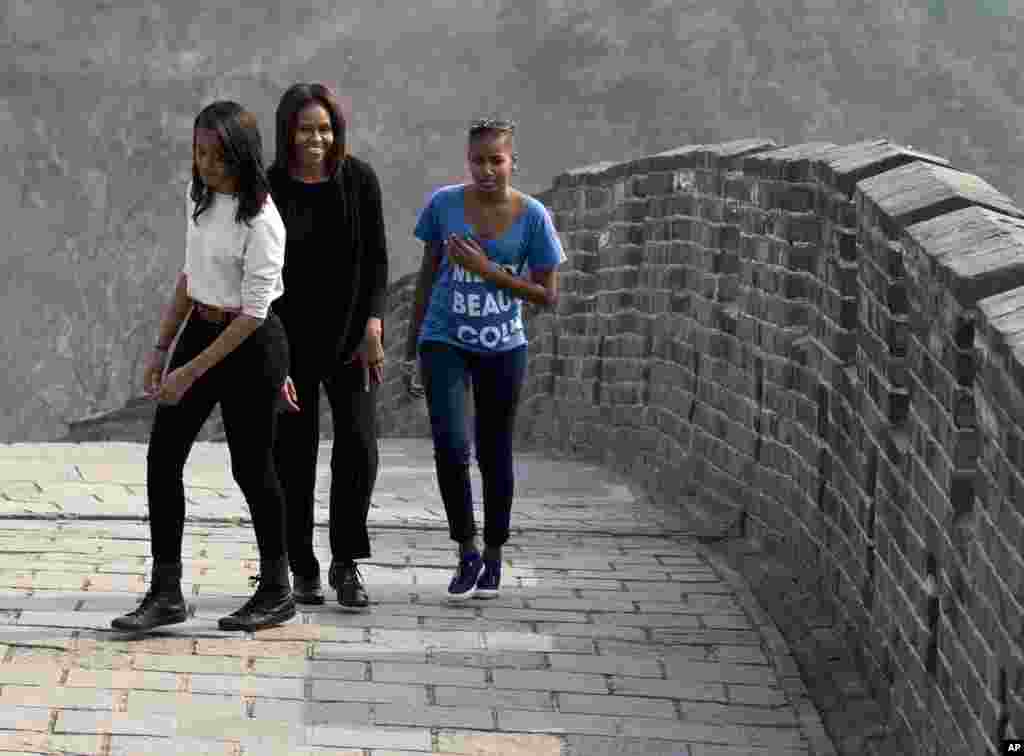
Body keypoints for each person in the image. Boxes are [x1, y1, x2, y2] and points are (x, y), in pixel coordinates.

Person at [111, 101, 295, 633]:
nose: (205, 164)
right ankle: (166, 591)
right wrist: (161, 348)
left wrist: (190, 371)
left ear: (241, 154)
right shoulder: (199, 196)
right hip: (202, 326)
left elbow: (254, 314)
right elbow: (190, 276)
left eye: (215, 155)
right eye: (198, 152)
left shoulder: (263, 220)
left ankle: (276, 590)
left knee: (252, 467)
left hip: (253, 343)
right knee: (163, 456)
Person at [405, 118, 563, 601]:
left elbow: (547, 296)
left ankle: (494, 553)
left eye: (497, 160)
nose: (487, 169)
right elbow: (427, 276)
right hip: (444, 339)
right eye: (478, 160)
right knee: (452, 446)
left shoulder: (533, 216)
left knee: (494, 452)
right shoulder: (445, 205)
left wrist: (487, 270)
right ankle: (466, 549)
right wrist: (412, 348)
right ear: (467, 161)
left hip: (503, 345)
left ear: (514, 162)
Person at [268, 82, 388, 610]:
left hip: (350, 338)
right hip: (289, 341)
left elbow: (378, 260)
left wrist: (375, 324)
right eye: (305, 128)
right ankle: (303, 566)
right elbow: (258, 273)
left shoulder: (358, 180)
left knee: (360, 447)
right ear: (287, 132)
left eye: (325, 128)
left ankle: (346, 560)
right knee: (294, 457)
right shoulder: (267, 187)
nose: (317, 138)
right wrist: (271, 356)